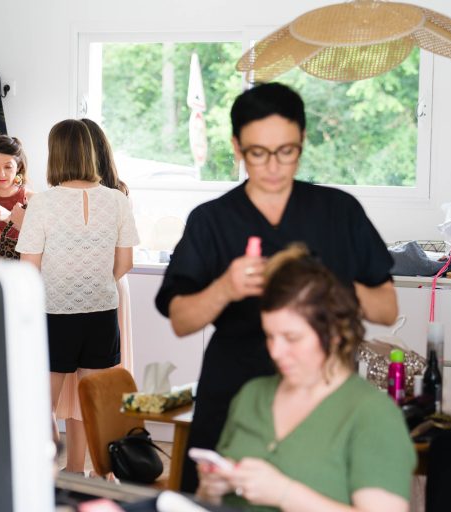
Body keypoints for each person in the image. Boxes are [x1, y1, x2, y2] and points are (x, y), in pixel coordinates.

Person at [155, 82, 398, 491]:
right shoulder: (213, 220)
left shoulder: (339, 212)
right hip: (234, 391)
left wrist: (329, 284)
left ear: (302, 141)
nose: (273, 167)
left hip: (322, 391)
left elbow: (386, 309)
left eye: (287, 151)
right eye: (257, 153)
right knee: (213, 495)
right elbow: (180, 320)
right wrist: (225, 288)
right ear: (236, 147)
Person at [197, 244, 415, 511]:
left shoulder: (373, 414)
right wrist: (211, 491)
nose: (276, 352)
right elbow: (211, 502)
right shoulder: (251, 396)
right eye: (270, 336)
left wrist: (284, 494)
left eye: (292, 338)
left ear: (335, 333)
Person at [16, 119, 139, 472]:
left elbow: (28, 269)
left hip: (54, 314)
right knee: (91, 403)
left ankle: (38, 473)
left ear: (55, 154)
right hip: (101, 314)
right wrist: (95, 283)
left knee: (44, 405)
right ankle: (87, 473)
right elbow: (125, 262)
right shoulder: (116, 200)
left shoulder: (42, 203)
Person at [54, 118, 134, 474]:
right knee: (94, 386)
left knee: (84, 388)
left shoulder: (109, 196)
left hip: (93, 294)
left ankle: (82, 466)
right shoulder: (117, 193)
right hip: (108, 291)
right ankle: (96, 469)